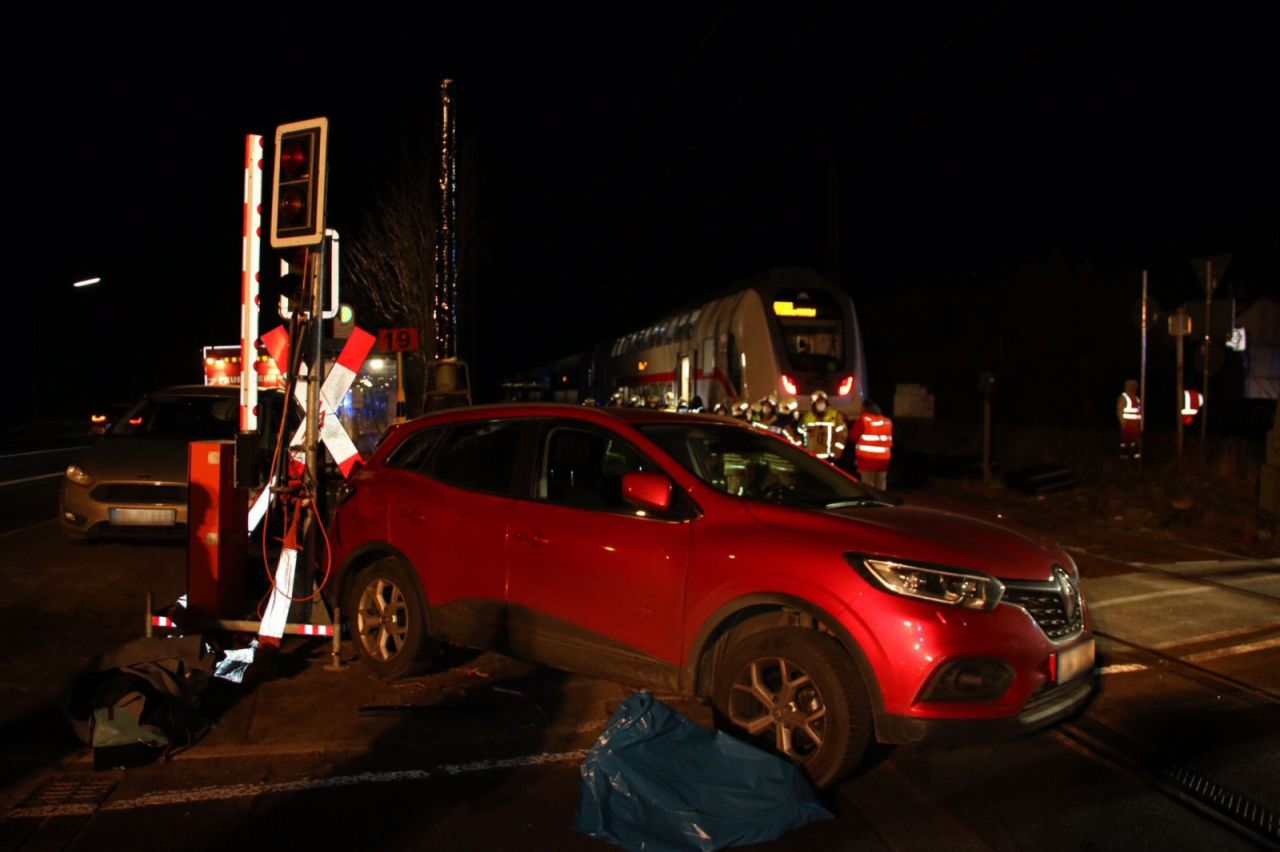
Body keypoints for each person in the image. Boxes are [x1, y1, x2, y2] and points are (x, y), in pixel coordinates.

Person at [851, 400, 892, 489]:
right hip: (884, 460)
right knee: (881, 485)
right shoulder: (887, 421)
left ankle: (870, 502)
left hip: (867, 460)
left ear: (865, 408)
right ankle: (881, 502)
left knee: (867, 486)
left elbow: (853, 436)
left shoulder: (864, 420)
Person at [800, 390, 847, 460]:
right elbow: (801, 435)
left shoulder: (835, 417)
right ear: (813, 404)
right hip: (810, 458)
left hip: (828, 459)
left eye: (822, 402)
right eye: (818, 402)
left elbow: (842, 437)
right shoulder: (807, 417)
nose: (821, 404)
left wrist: (836, 454)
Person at [1117, 379, 1142, 460]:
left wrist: (1140, 423)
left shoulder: (1137, 398)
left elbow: (1140, 412)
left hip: (1136, 425)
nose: (1133, 388)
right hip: (1127, 424)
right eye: (1132, 386)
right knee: (1126, 442)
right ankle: (1124, 457)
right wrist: (1123, 423)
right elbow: (1120, 411)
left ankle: (1135, 457)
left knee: (1135, 442)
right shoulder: (1124, 397)